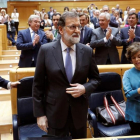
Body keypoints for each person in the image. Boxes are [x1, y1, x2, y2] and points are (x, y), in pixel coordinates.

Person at [33, 11, 100, 139]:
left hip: (79, 113)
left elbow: (96, 79)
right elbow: (38, 85)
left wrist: (85, 88)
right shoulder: (46, 50)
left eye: (79, 27)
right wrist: (40, 114)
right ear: (61, 29)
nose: (77, 30)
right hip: (54, 112)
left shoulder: (86, 51)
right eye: (72, 27)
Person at [123, 42, 140, 135]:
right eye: (133, 57)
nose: (137, 60)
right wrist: (138, 91)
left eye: (139, 56)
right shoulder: (127, 74)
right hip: (135, 115)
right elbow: (128, 94)